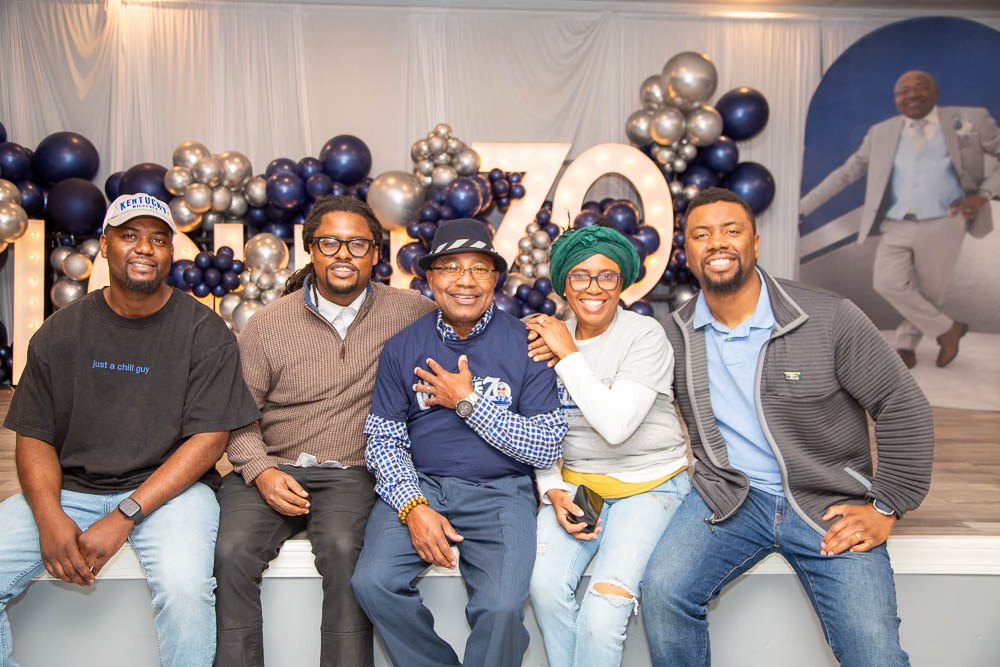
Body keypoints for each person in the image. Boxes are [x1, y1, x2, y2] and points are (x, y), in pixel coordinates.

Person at [642, 188, 934, 667]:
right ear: (687, 254)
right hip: (729, 498)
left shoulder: (828, 317)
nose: (718, 243)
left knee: (873, 652)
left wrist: (887, 506)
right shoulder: (672, 335)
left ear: (755, 243)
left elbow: (903, 405)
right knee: (662, 593)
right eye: (701, 234)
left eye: (731, 230)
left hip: (827, 503)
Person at [0, 193, 259, 667]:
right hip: (70, 489)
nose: (144, 248)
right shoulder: (60, 331)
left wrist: (125, 514)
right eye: (130, 235)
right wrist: (49, 515)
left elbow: (209, 441)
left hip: (171, 493)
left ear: (171, 252)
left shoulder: (205, 332)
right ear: (105, 245)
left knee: (185, 592)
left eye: (158, 239)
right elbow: (34, 435)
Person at [214, 196, 436, 667]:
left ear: (375, 252)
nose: (343, 255)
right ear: (310, 249)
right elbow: (236, 416)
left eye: (357, 244)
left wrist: (537, 336)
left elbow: (468, 326)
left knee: (343, 551)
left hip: (351, 471)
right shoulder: (267, 324)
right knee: (231, 552)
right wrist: (261, 472)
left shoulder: (411, 312)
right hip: (270, 466)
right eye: (330, 243)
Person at [351, 218, 568, 667]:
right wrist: (413, 506)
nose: (465, 281)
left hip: (502, 492)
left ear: (495, 278)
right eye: (450, 267)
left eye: (479, 268)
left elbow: (547, 446)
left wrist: (468, 403)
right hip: (423, 485)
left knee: (502, 609)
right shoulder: (402, 347)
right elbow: (384, 440)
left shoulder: (527, 344)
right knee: (373, 583)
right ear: (430, 278)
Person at [523, 224, 690, 667]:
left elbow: (616, 427)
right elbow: (537, 425)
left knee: (603, 611)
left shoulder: (644, 336)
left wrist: (568, 355)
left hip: (650, 485)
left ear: (622, 282)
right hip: (581, 486)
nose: (593, 288)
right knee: (543, 587)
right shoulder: (544, 340)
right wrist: (551, 488)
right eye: (580, 276)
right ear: (564, 284)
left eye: (606, 276)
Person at [800, 70, 1000, 368]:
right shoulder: (881, 132)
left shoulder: (971, 118)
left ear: (935, 92)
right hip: (897, 222)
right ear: (895, 100)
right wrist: (802, 207)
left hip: (945, 220)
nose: (911, 95)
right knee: (886, 282)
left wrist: (983, 195)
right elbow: (846, 174)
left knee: (930, 292)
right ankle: (948, 329)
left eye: (919, 87)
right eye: (902, 92)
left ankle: (906, 346)